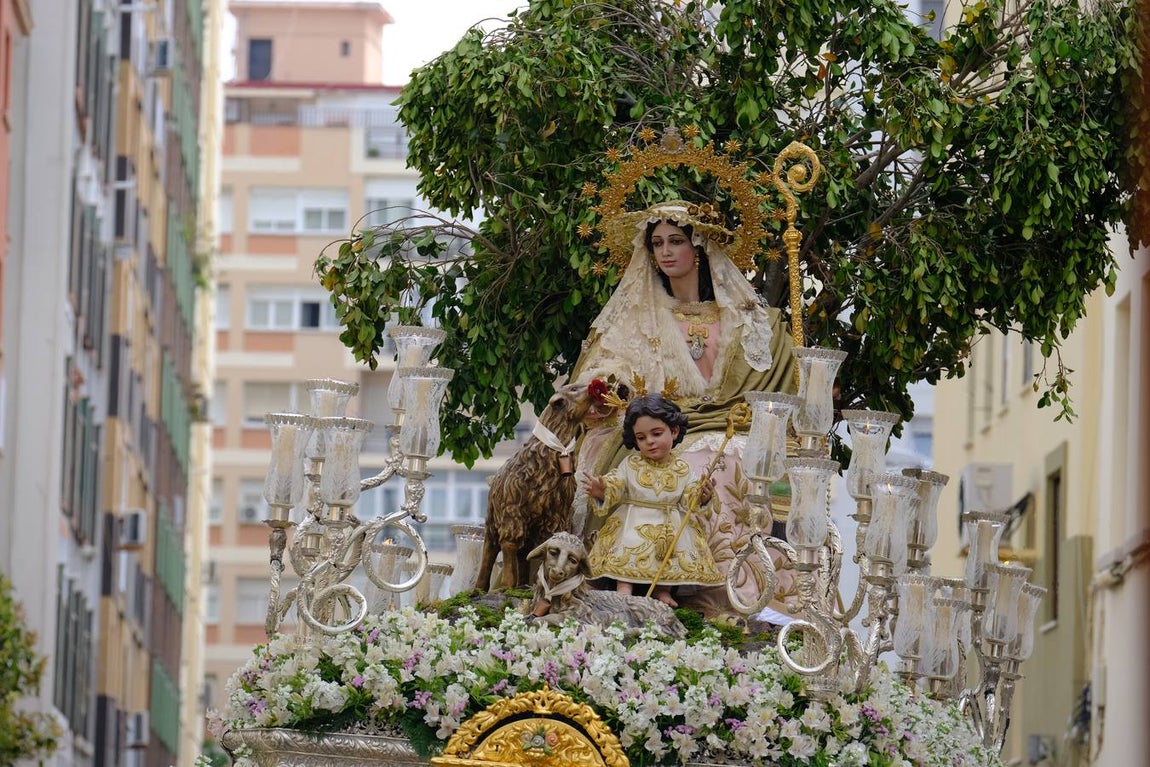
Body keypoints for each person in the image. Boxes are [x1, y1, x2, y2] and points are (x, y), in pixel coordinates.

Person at [571, 200, 797, 617]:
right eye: (657, 243)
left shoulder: (748, 321)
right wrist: (606, 388)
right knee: (692, 466)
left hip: (734, 427)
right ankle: (684, 590)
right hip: (663, 430)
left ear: (700, 247)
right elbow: (606, 368)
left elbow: (777, 387)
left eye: (676, 241)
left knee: (733, 466)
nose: (665, 252)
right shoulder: (639, 320)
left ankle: (748, 591)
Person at [582, 394, 723, 606]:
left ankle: (662, 590)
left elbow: (689, 498)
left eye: (656, 433)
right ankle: (624, 587)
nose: (649, 441)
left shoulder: (682, 469)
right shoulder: (631, 464)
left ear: (674, 431)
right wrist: (602, 489)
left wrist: (703, 495)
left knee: (669, 549)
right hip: (634, 518)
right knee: (628, 542)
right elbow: (616, 483)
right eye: (641, 437)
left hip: (669, 522)